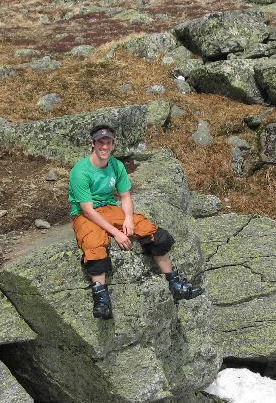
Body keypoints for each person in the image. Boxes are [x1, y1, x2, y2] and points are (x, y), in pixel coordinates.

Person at [69, 124, 203, 319]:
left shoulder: (116, 166)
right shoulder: (80, 171)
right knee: (94, 244)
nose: (104, 147)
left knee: (154, 233)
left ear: (113, 144)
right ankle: (101, 299)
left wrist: (129, 219)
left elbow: (125, 196)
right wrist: (116, 233)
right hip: (85, 214)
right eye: (100, 142)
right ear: (93, 144)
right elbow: (87, 210)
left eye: (108, 142)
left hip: (109, 208)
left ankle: (174, 283)